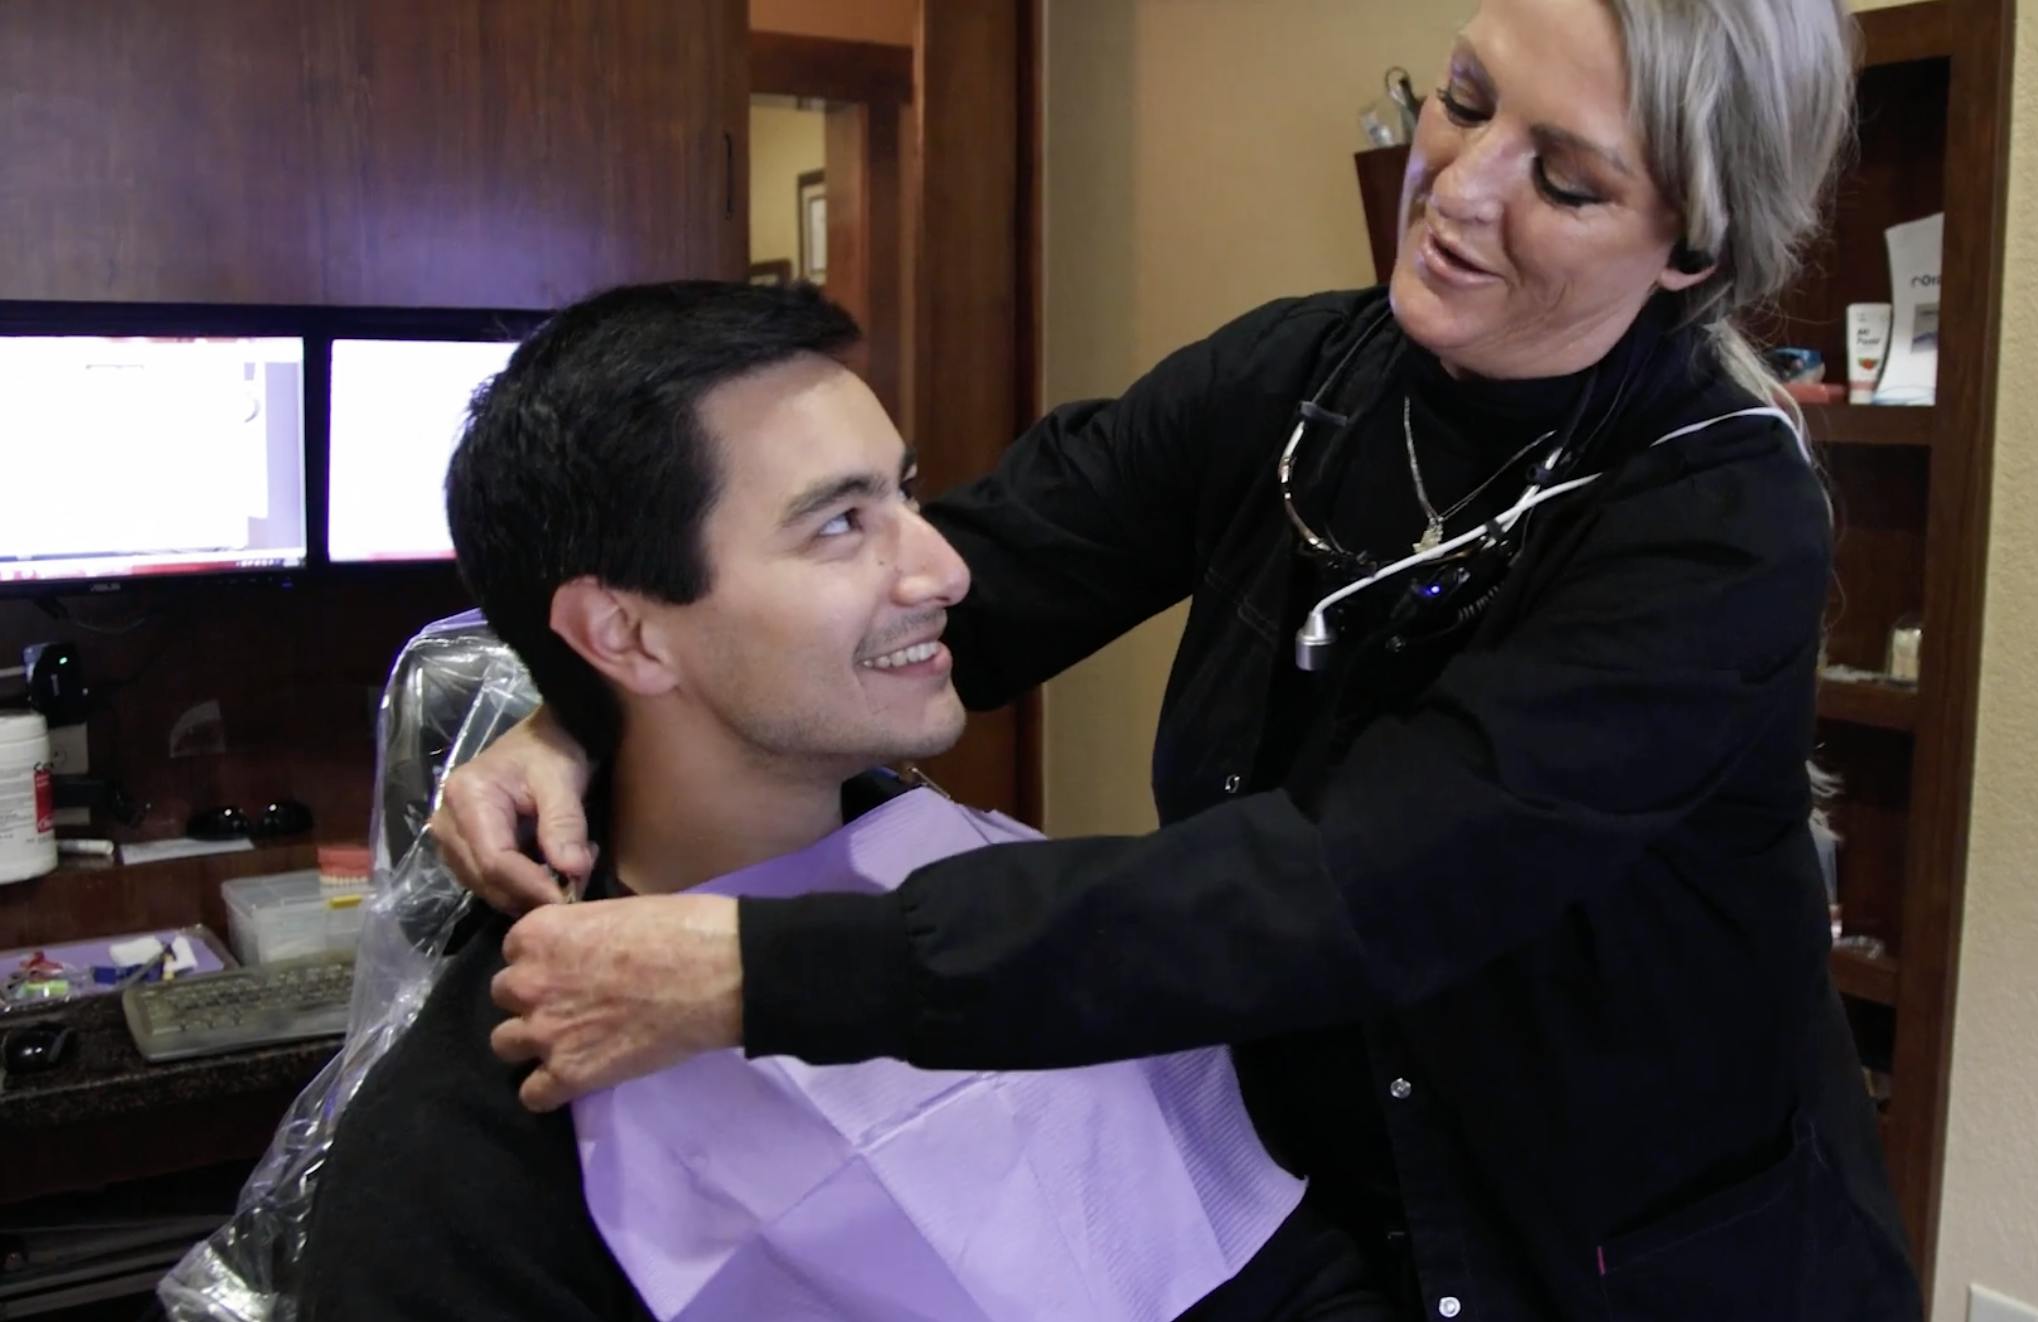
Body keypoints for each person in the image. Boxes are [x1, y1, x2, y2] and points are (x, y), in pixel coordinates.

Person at [436, 0, 1922, 1317]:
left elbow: (1349, 885)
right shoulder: (1299, 377)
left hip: (1618, 1241)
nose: (1456, 189)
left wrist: (760, 971)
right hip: (1312, 1190)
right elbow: (975, 573)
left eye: (1566, 178)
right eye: (1464, 99)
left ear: (1693, 246)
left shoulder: (1715, 529)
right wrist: (585, 709)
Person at [294, 283, 1394, 1321]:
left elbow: (1286, 1279)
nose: (946, 570)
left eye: (903, 492)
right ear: (624, 632)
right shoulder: (464, 1160)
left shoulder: (995, 909)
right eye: (839, 524)